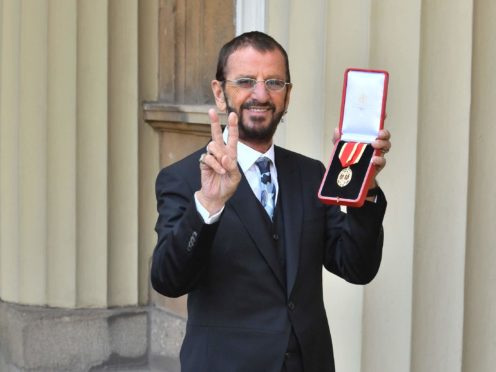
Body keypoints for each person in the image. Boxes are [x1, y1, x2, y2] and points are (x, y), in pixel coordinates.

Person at [151, 31, 390, 372]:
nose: (260, 94)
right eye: (246, 81)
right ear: (220, 93)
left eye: (274, 82)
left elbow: (356, 268)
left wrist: (365, 190)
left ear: (287, 95)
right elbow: (168, 280)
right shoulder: (184, 178)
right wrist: (207, 205)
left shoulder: (311, 175)